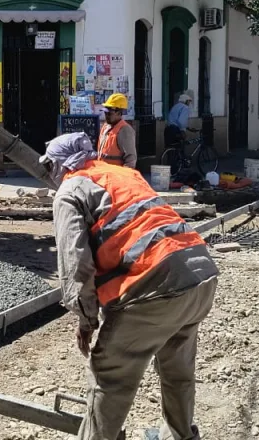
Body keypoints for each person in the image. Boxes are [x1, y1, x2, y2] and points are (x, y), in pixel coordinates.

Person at [42, 132, 218, 440]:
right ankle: (180, 436)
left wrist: (86, 321)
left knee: (110, 378)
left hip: (155, 283)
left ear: (59, 165)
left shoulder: (70, 191)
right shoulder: (122, 173)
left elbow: (76, 265)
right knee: (177, 372)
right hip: (199, 273)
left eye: (49, 167)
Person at [97, 93, 136, 168]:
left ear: (119, 113)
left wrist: (123, 176)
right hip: (103, 172)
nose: (106, 115)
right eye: (105, 112)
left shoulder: (125, 130)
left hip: (116, 175)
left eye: (109, 113)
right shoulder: (105, 127)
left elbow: (130, 160)